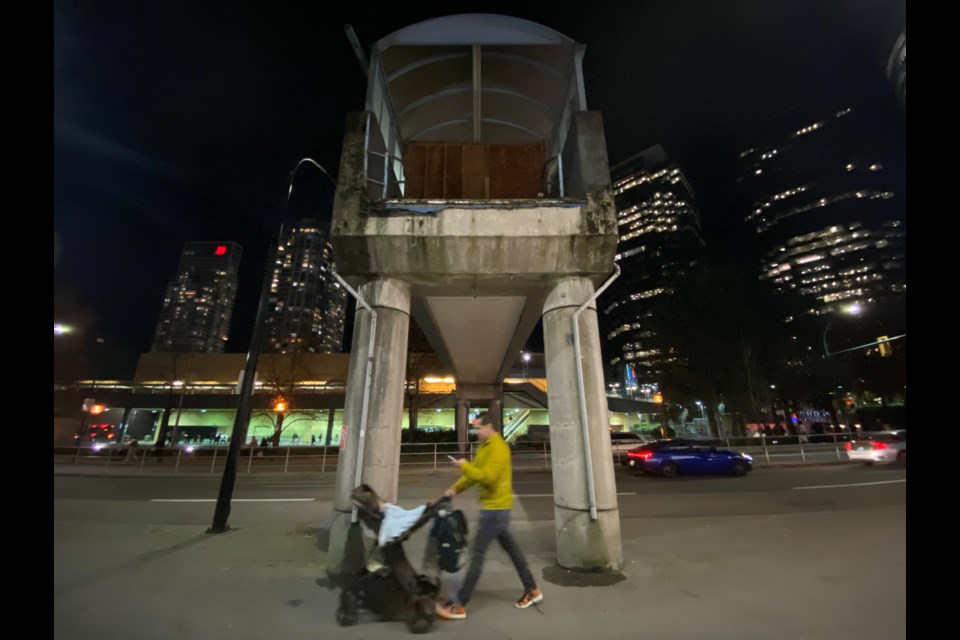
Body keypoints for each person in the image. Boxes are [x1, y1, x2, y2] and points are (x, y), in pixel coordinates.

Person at [436, 412, 542, 620]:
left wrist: (463, 465)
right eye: (475, 428)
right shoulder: (484, 448)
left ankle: (460, 604)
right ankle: (533, 590)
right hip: (495, 510)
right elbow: (473, 475)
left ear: (490, 427)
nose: (476, 432)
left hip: (495, 510)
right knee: (513, 551)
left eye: (478, 428)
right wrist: (453, 490)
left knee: (477, 555)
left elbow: (488, 478)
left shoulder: (498, 449)